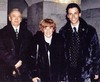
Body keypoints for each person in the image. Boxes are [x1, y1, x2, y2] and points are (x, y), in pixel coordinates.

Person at [59, 3, 100, 82]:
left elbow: (96, 52)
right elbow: (60, 55)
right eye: (70, 14)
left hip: (86, 73)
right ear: (67, 16)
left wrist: (96, 70)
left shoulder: (90, 31)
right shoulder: (63, 32)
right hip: (69, 73)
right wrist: (61, 75)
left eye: (75, 13)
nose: (73, 16)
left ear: (79, 14)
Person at [0, 8, 33, 82]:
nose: (16, 19)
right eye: (14, 16)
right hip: (7, 70)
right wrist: (14, 62)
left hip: (23, 70)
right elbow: (1, 50)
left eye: (19, 17)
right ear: (9, 18)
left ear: (21, 19)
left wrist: (21, 61)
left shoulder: (28, 34)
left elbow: (30, 50)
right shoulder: (2, 33)